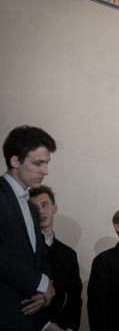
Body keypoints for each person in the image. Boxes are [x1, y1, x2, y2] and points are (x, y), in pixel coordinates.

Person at [1, 125, 57, 330]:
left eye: (46, 163)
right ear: (15, 161)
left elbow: (41, 255)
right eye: (38, 163)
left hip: (29, 315)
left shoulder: (31, 208)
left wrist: (46, 288)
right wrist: (40, 284)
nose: (45, 171)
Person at [29, 185, 83, 331]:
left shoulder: (69, 254)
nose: (41, 211)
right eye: (35, 207)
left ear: (55, 208)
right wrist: (46, 325)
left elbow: (74, 297)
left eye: (44, 205)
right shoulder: (21, 249)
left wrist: (69, 328)